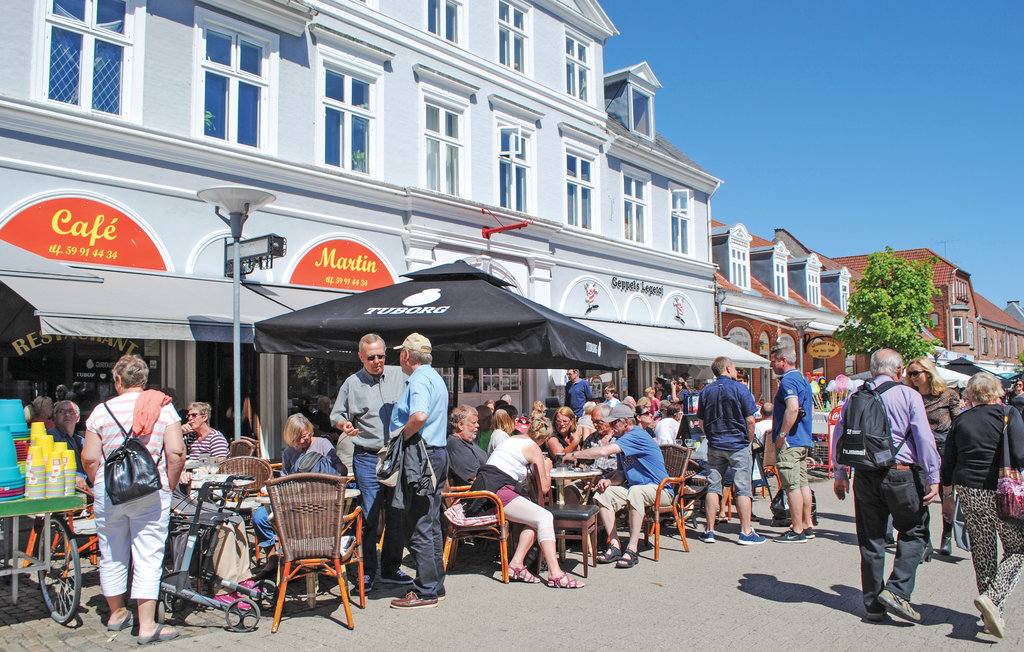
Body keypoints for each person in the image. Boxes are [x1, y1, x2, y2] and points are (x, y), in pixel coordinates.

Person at [832, 349, 942, 624]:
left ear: (872, 371)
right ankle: (897, 590)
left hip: (865, 474)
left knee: (871, 539)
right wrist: (933, 475)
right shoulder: (908, 395)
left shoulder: (856, 397)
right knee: (914, 531)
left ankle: (873, 606)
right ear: (899, 370)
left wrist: (840, 472)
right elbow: (924, 438)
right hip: (900, 474)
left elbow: (840, 434)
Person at [82, 354, 185, 644]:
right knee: (148, 553)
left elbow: (90, 457)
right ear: (143, 380)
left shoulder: (100, 412)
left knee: (111, 550)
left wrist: (98, 482)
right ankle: (147, 624)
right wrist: (169, 484)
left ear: (117, 380)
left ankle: (116, 613)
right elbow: (176, 452)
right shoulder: (163, 408)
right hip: (151, 488)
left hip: (109, 489)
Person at [940, 372, 1024, 638]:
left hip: (969, 489)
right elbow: (1021, 453)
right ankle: (994, 598)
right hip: (1003, 490)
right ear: (997, 391)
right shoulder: (1008, 414)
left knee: (983, 549)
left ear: (970, 394)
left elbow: (949, 460)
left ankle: (989, 611)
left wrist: (947, 494)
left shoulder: (962, 419)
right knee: (1018, 549)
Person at [331, 333, 410, 593]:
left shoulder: (400, 375)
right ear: (361, 357)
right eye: (371, 357)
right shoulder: (352, 383)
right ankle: (366, 571)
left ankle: (390, 568)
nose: (377, 361)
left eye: (381, 356)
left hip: (396, 454)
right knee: (369, 515)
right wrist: (345, 425)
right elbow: (337, 415)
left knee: (396, 512)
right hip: (366, 455)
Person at [467, 417, 583, 588]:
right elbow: (544, 488)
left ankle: (516, 564)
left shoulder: (512, 439)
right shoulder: (534, 448)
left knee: (534, 518)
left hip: (485, 488)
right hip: (497, 490)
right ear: (544, 439)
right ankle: (555, 573)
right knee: (544, 517)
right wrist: (547, 467)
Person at [565, 403, 670, 569]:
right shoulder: (623, 440)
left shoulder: (636, 435)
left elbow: (603, 452)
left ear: (625, 422)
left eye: (614, 423)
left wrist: (573, 454)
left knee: (636, 491)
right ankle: (615, 544)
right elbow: (621, 473)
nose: (612, 427)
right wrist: (609, 481)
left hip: (660, 489)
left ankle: (632, 548)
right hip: (636, 487)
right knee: (604, 494)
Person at [389, 333, 450, 610]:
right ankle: (435, 583)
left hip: (422, 455)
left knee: (419, 523)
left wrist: (400, 436)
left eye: (401, 353)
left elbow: (420, 416)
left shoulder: (419, 379)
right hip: (435, 454)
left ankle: (426, 591)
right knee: (431, 520)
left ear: (406, 356)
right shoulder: (434, 376)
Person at [251, 413, 347, 578]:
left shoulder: (322, 444)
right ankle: (272, 557)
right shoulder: (289, 452)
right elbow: (285, 478)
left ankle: (304, 557)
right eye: (299, 438)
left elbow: (342, 471)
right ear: (291, 438)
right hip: (293, 501)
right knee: (259, 516)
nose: (305, 440)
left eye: (307, 435)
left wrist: (326, 466)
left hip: (319, 503)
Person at [696, 356, 764, 545]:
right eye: (734, 368)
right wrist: (749, 442)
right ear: (727, 368)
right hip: (737, 443)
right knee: (742, 488)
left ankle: (709, 530)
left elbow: (701, 421)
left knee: (713, 486)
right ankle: (746, 531)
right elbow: (750, 420)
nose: (736, 371)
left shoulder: (706, 391)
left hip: (716, 443)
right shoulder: (740, 389)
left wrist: (710, 436)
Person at [905, 356, 961, 556]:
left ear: (928, 373)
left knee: (946, 494)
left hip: (945, 450)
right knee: (922, 496)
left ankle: (947, 535)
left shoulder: (948, 395)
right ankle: (925, 541)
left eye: (915, 373)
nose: (912, 377)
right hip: (920, 452)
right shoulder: (911, 395)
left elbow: (958, 425)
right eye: (909, 374)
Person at [770, 343, 815, 543]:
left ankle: (797, 529)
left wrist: (782, 434)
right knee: (803, 483)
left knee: (792, 486)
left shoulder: (788, 380)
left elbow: (793, 408)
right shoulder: (803, 379)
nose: (771, 364)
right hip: (803, 438)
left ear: (783, 360)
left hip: (791, 440)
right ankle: (807, 524)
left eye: (773, 360)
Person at [47, 400, 88, 491]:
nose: (67, 415)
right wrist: (72, 477)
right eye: (62, 411)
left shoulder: (81, 440)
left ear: (77, 418)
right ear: (54, 418)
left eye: (71, 411)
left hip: (85, 488)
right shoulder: (49, 437)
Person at [446, 405, 487, 486]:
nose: (478, 425)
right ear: (460, 425)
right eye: (474, 423)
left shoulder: (468, 441)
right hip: (478, 494)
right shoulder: (455, 444)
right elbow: (474, 477)